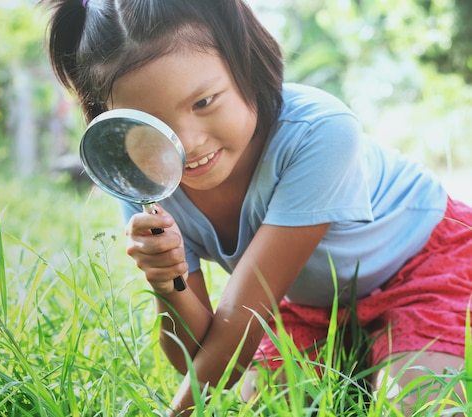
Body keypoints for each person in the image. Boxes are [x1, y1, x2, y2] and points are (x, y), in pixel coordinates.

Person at [42, 0, 472, 415]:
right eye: (152, 126)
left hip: (426, 265)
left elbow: (241, 324)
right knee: (270, 406)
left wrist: (175, 412)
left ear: (246, 65)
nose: (187, 143)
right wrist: (165, 279)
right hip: (313, 305)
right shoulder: (141, 176)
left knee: (415, 403)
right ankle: (356, 350)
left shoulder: (321, 133)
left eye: (203, 102)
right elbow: (191, 358)